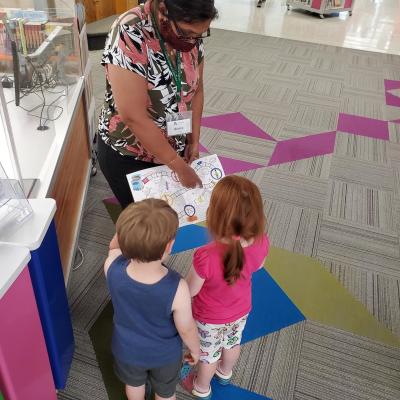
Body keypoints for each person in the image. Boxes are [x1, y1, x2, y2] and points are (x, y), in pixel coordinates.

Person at [97, 0, 218, 209]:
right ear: (163, 12)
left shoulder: (189, 32)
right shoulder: (130, 31)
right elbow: (133, 116)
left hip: (173, 147)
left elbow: (197, 89)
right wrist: (177, 165)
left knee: (171, 221)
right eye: (187, 33)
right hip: (131, 152)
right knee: (146, 230)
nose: (192, 41)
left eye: (200, 34)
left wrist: (193, 141)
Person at [104, 198, 200, 400]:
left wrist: (128, 227)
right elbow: (186, 328)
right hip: (164, 356)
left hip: (126, 350)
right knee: (166, 393)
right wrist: (195, 349)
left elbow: (113, 247)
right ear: (169, 245)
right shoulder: (178, 287)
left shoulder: (111, 267)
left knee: (134, 384)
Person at [183, 176, 270, 399]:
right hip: (240, 310)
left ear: (215, 218)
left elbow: (191, 290)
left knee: (207, 354)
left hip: (209, 318)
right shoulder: (262, 241)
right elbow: (259, 266)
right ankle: (225, 372)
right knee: (232, 343)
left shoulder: (205, 256)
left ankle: (201, 387)